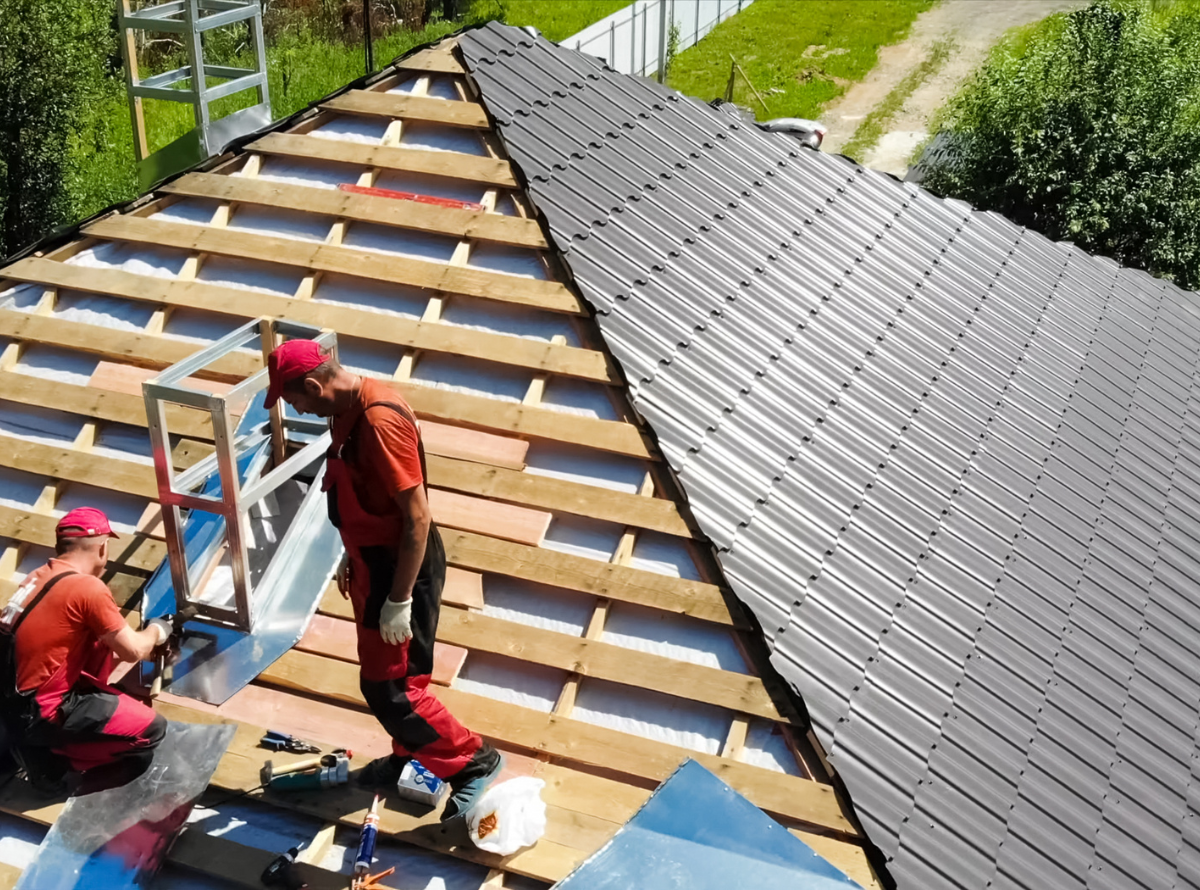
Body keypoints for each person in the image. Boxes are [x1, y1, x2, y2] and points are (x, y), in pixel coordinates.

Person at [265, 339, 502, 819]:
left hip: (400, 568)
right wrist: (353, 555)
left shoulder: (378, 421)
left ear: (315, 384)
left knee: (391, 688)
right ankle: (409, 755)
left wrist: (399, 599)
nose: (299, 410)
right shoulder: (347, 407)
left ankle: (472, 761)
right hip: (375, 562)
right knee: (398, 676)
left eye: (297, 401)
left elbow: (416, 519)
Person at [5, 507, 170, 792]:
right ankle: (55, 762)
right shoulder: (87, 588)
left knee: (97, 642)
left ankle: (43, 742)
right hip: (42, 713)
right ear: (103, 547)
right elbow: (133, 651)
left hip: (14, 704)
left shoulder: (37, 577)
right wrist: (158, 631)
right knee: (152, 731)